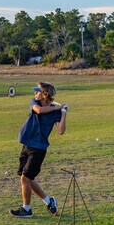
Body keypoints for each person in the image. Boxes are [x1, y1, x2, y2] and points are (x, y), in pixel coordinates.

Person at [10, 81, 68, 218]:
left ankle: (27, 210)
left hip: (38, 148)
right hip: (26, 145)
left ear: (45, 94)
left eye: (38, 91)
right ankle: (49, 202)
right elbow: (39, 111)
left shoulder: (57, 112)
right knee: (27, 178)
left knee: (26, 178)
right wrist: (58, 107)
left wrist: (64, 113)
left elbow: (60, 131)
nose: (35, 93)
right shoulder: (35, 103)